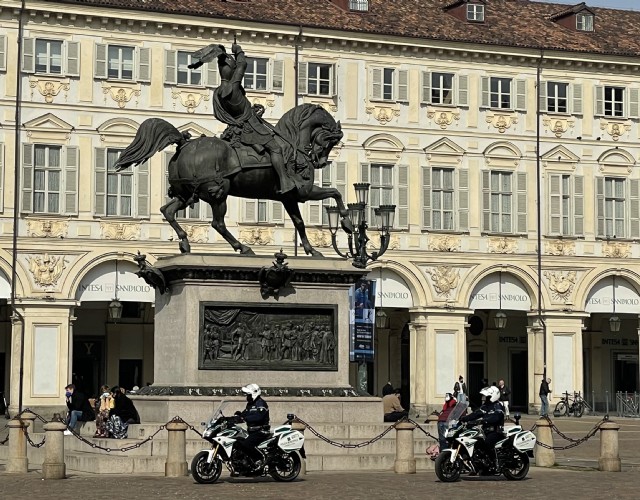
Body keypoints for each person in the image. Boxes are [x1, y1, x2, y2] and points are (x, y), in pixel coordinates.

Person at [191, 43, 295, 195]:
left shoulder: (219, 93)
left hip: (237, 124)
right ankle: (284, 182)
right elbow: (243, 64)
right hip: (249, 127)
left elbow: (231, 112)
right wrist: (238, 50)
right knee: (276, 148)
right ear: (233, 72)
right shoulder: (233, 88)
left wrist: (208, 58)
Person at [460, 386, 505, 470]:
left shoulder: (498, 406)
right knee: (476, 442)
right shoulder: (486, 406)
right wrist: (463, 418)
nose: (485, 398)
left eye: (487, 397)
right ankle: (481, 464)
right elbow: (476, 414)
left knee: (487, 442)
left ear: (493, 396)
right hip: (485, 432)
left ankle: (495, 463)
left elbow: (496, 417)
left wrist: (483, 420)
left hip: (496, 432)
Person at [234, 383, 270, 470]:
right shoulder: (250, 404)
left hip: (261, 432)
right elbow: (244, 414)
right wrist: (234, 418)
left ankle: (259, 459)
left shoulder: (261, 404)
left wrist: (244, 418)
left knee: (247, 444)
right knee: (238, 441)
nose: (247, 397)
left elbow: (258, 417)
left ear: (254, 393)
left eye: (248, 395)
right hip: (251, 431)